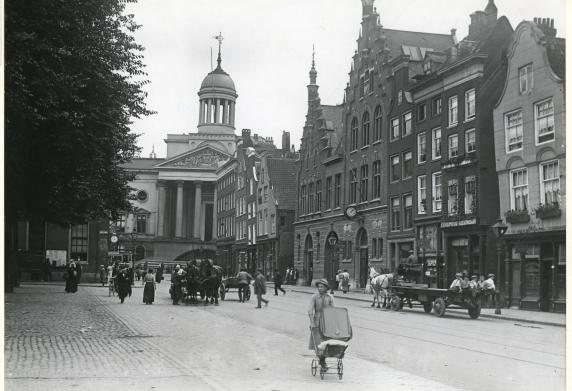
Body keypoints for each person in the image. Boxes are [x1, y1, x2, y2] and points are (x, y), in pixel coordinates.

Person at [308, 278, 335, 369]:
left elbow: (333, 310)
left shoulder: (330, 297)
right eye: (318, 287)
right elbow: (310, 310)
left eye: (322, 287)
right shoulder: (314, 297)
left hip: (327, 322)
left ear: (326, 288)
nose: (319, 288)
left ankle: (322, 360)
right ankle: (322, 362)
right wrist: (312, 322)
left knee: (326, 342)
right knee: (318, 343)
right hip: (317, 321)